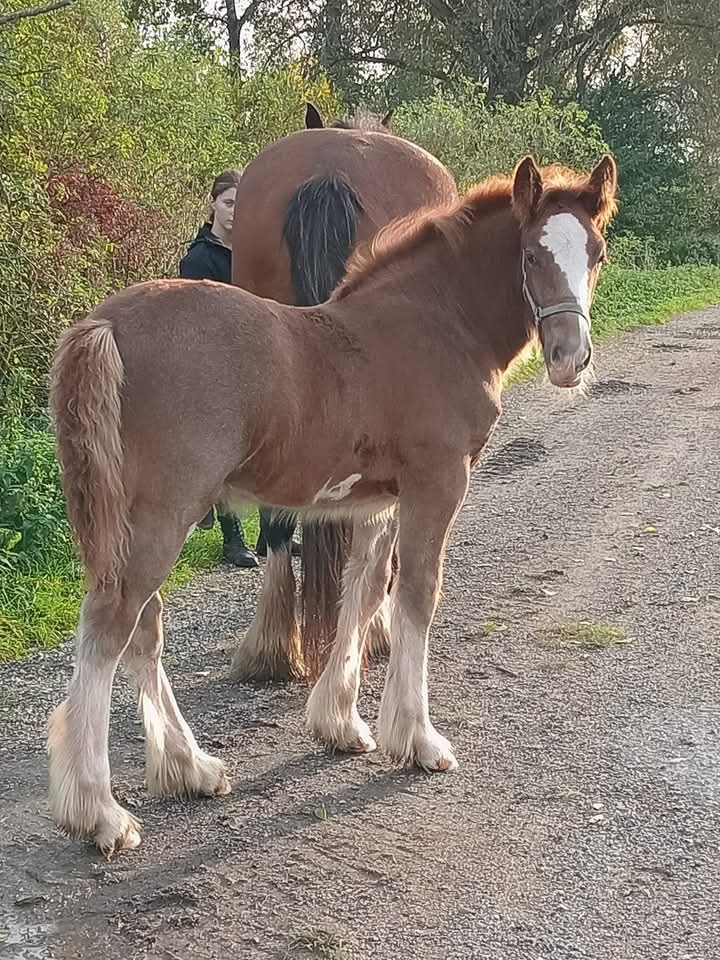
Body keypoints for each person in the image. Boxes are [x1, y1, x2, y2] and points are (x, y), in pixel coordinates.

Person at [179, 170, 301, 566]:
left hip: (260, 359)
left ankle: (274, 537)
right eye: (229, 203)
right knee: (226, 452)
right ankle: (233, 540)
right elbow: (198, 317)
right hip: (218, 362)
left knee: (275, 446)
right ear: (213, 203)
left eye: (243, 204)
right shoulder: (200, 257)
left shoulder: (258, 253)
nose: (235, 212)